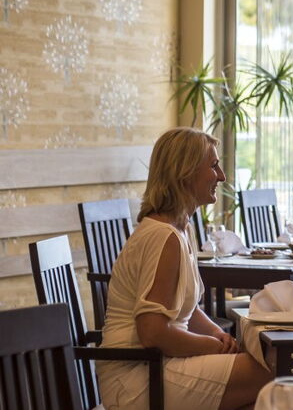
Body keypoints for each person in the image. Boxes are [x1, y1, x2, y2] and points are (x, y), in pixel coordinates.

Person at [96, 127, 270, 410]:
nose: (222, 176)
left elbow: (184, 311)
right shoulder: (163, 236)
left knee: (261, 397)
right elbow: (153, 332)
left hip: (157, 366)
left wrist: (217, 334)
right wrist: (213, 347)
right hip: (137, 376)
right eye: (213, 166)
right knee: (276, 373)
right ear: (185, 173)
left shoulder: (179, 229)